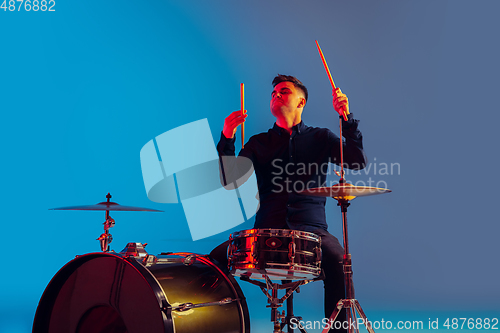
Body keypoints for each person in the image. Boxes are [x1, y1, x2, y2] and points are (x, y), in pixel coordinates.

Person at [211, 74, 367, 332]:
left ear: (301, 101)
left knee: (339, 259)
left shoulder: (322, 138)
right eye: (273, 93)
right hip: (265, 231)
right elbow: (230, 180)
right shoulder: (258, 143)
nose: (276, 95)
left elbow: (356, 161)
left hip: (313, 230)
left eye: (283, 91)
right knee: (214, 261)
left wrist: (346, 119)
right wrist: (227, 136)